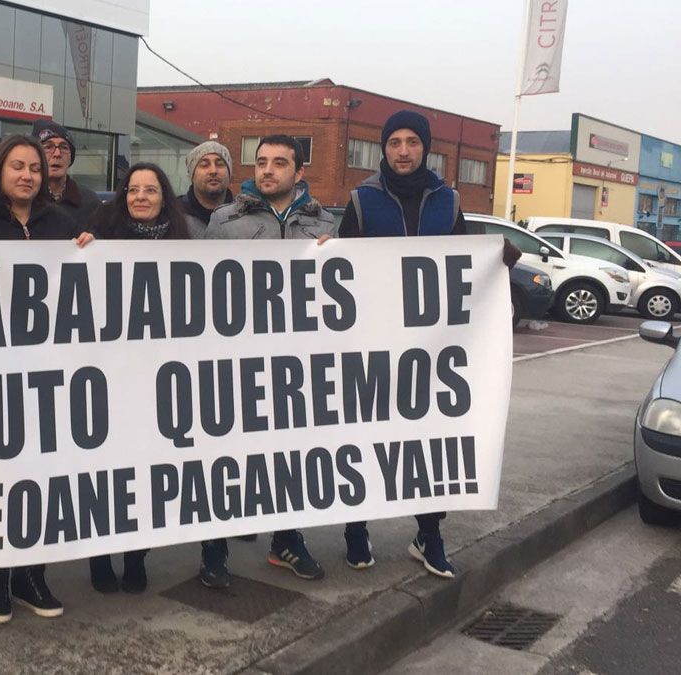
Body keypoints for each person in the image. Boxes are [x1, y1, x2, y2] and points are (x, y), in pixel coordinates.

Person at [338, 109, 519, 578]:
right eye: (394, 141)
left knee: (427, 441)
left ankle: (429, 532)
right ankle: (355, 528)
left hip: (433, 347)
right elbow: (340, 270)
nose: (402, 150)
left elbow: (465, 263)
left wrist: (498, 260)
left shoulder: (449, 200)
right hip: (372, 344)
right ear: (383, 148)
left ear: (425, 147)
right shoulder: (360, 200)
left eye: (411, 142)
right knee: (364, 435)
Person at [0, 134, 93, 620]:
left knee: (42, 477)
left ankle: (33, 573)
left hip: (48, 376)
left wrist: (90, 253)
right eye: (17, 167)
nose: (28, 175)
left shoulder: (65, 224)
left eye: (34, 167)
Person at [205, 134, 337, 583]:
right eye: (261, 162)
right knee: (226, 455)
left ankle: (286, 540)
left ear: (299, 173)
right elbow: (199, 289)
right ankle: (213, 551)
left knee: (287, 456)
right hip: (236, 360)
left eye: (280, 163)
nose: (267, 170)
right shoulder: (226, 221)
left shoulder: (325, 226)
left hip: (294, 366)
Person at [84, 162, 191, 594]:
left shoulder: (187, 247)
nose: (141, 197)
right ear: (122, 196)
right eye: (133, 190)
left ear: (165, 196)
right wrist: (81, 253)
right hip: (109, 375)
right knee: (104, 469)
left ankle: (136, 554)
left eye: (151, 190)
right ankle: (99, 555)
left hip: (157, 379)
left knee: (145, 472)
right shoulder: (98, 240)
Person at [32, 119, 102, 227]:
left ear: (71, 158)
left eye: (64, 147)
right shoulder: (26, 198)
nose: (57, 154)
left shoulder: (90, 202)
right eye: (48, 147)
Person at [177, 140, 234, 236]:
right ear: (192, 175)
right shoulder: (174, 213)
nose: (213, 171)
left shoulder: (243, 216)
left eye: (220, 164)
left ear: (229, 174)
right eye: (204, 165)